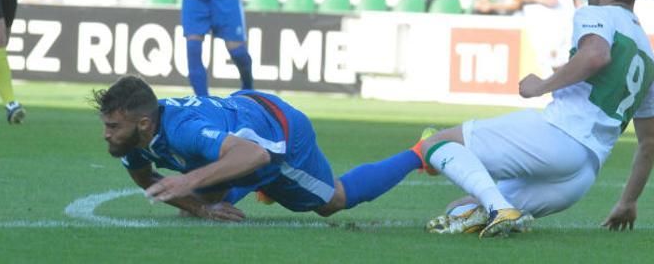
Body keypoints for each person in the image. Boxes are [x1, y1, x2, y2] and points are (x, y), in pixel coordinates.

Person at [415, 0, 654, 238]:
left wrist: (541, 86)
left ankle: (500, 209)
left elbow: (596, 55)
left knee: (434, 146)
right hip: (580, 177)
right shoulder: (649, 57)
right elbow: (650, 142)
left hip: (557, 137)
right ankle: (497, 210)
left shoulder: (596, 14)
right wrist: (628, 201)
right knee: (461, 209)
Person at [96, 76, 424, 221]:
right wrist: (201, 207)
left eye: (113, 127)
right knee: (197, 208)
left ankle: (420, 152)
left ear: (142, 124)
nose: (106, 135)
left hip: (280, 133)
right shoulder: (132, 139)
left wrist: (188, 182)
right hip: (240, 120)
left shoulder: (183, 130)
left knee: (332, 202)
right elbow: (145, 179)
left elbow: (257, 154)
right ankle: (251, 183)